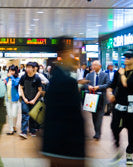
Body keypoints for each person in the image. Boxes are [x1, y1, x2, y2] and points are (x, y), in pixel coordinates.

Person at [42, 38, 86, 167]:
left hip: (56, 143)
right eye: (70, 52)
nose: (72, 55)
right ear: (63, 53)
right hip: (66, 144)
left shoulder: (57, 77)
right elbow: (72, 116)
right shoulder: (65, 81)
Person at [106, 49, 133, 165]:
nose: (126, 59)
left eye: (129, 57)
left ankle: (129, 153)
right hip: (119, 107)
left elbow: (127, 84)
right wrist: (110, 93)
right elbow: (111, 85)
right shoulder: (118, 72)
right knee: (114, 127)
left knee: (132, 132)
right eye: (125, 57)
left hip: (132, 109)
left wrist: (122, 74)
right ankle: (118, 148)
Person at [85, 60, 110, 140]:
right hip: (92, 98)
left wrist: (99, 87)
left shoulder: (105, 75)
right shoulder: (89, 75)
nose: (93, 67)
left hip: (101, 98)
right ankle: (96, 131)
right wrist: (88, 86)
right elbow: (85, 84)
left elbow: (108, 84)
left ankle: (97, 133)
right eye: (92, 65)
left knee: (99, 116)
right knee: (94, 116)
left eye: (95, 65)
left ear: (99, 66)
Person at [18, 62, 43, 139]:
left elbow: (40, 90)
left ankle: (32, 130)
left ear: (33, 68)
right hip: (25, 99)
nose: (27, 69)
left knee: (32, 116)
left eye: (29, 67)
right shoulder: (23, 77)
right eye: (26, 67)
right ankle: (23, 131)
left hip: (34, 100)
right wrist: (24, 98)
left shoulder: (37, 78)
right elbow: (21, 88)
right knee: (25, 115)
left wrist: (34, 100)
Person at [5, 65, 21, 135]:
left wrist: (11, 76)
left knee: (14, 114)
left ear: (15, 71)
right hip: (8, 99)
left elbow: (15, 84)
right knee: (9, 115)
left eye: (12, 70)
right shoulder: (6, 78)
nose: (11, 72)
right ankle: (11, 129)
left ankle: (14, 125)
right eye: (10, 70)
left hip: (15, 99)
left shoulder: (17, 78)